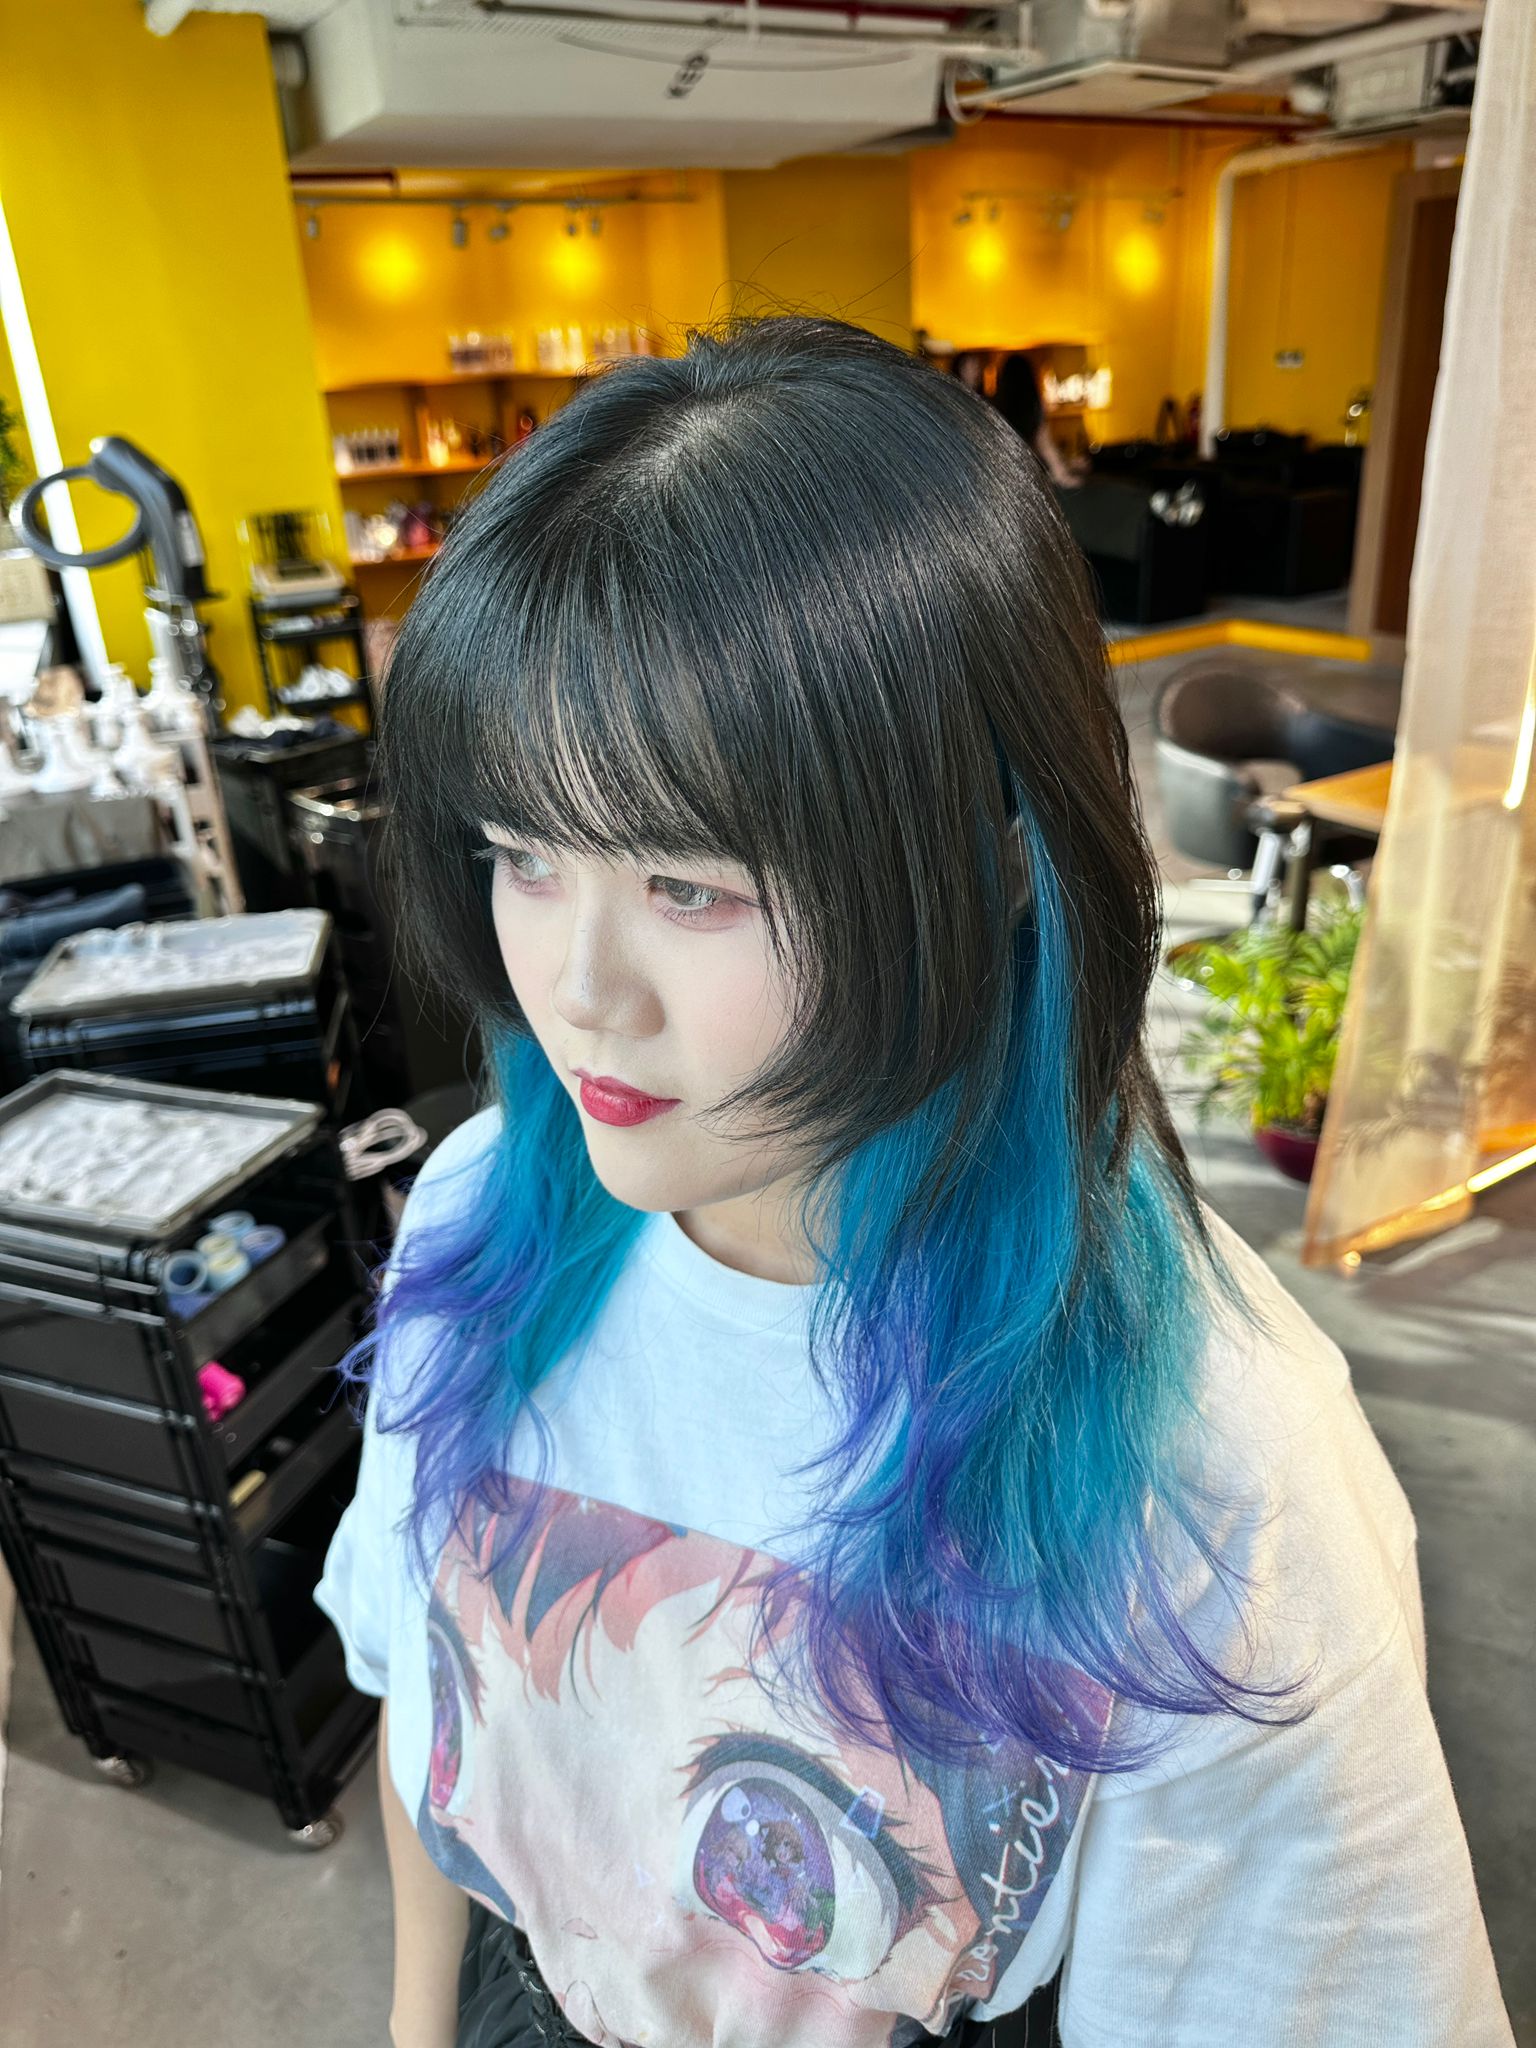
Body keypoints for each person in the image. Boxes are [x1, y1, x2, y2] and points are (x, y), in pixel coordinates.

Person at [314, 313, 1513, 2048]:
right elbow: (424, 1719)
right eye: (522, 854)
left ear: (995, 861)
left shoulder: (1213, 1466)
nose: (577, 991)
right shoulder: (491, 1206)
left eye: (689, 886)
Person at [992, 350, 1085, 488]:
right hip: (1024, 476)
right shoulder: (1033, 406)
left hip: (998, 476)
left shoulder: (993, 407)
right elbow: (1045, 444)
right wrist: (1062, 475)